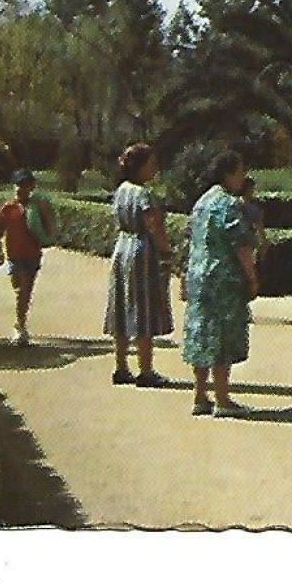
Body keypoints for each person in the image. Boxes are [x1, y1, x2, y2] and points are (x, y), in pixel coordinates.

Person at [182, 150, 261, 418]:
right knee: (222, 336)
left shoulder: (202, 203)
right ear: (228, 174)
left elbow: (191, 241)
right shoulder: (229, 205)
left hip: (198, 275)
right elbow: (241, 245)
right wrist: (251, 277)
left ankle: (199, 395)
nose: (243, 177)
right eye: (240, 172)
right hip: (223, 277)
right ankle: (222, 399)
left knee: (200, 332)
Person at [103, 143, 174, 388]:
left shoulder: (122, 190)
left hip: (122, 247)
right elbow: (154, 225)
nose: (155, 169)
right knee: (143, 307)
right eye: (151, 164)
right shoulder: (144, 194)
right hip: (142, 251)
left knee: (121, 306)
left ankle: (121, 366)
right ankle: (146, 369)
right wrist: (166, 251)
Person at [0, 169, 55, 347]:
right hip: (14, 254)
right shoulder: (8, 208)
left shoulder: (37, 208)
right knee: (20, 289)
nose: (22, 189)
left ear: (32, 187)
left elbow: (51, 228)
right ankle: (19, 324)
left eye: (26, 185)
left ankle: (20, 324)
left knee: (25, 291)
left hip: (32, 254)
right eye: (19, 184)